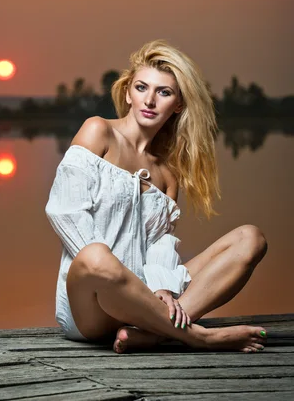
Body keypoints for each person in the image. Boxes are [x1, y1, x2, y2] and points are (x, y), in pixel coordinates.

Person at [45, 39, 268, 353]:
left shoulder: (167, 174)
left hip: (146, 302)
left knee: (250, 238)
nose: (149, 100)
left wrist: (160, 287)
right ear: (127, 93)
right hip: (91, 307)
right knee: (96, 257)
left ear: (177, 104)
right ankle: (199, 337)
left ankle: (152, 334)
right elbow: (64, 210)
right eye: (141, 88)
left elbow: (159, 245)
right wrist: (125, 281)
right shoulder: (98, 132)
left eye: (164, 92)